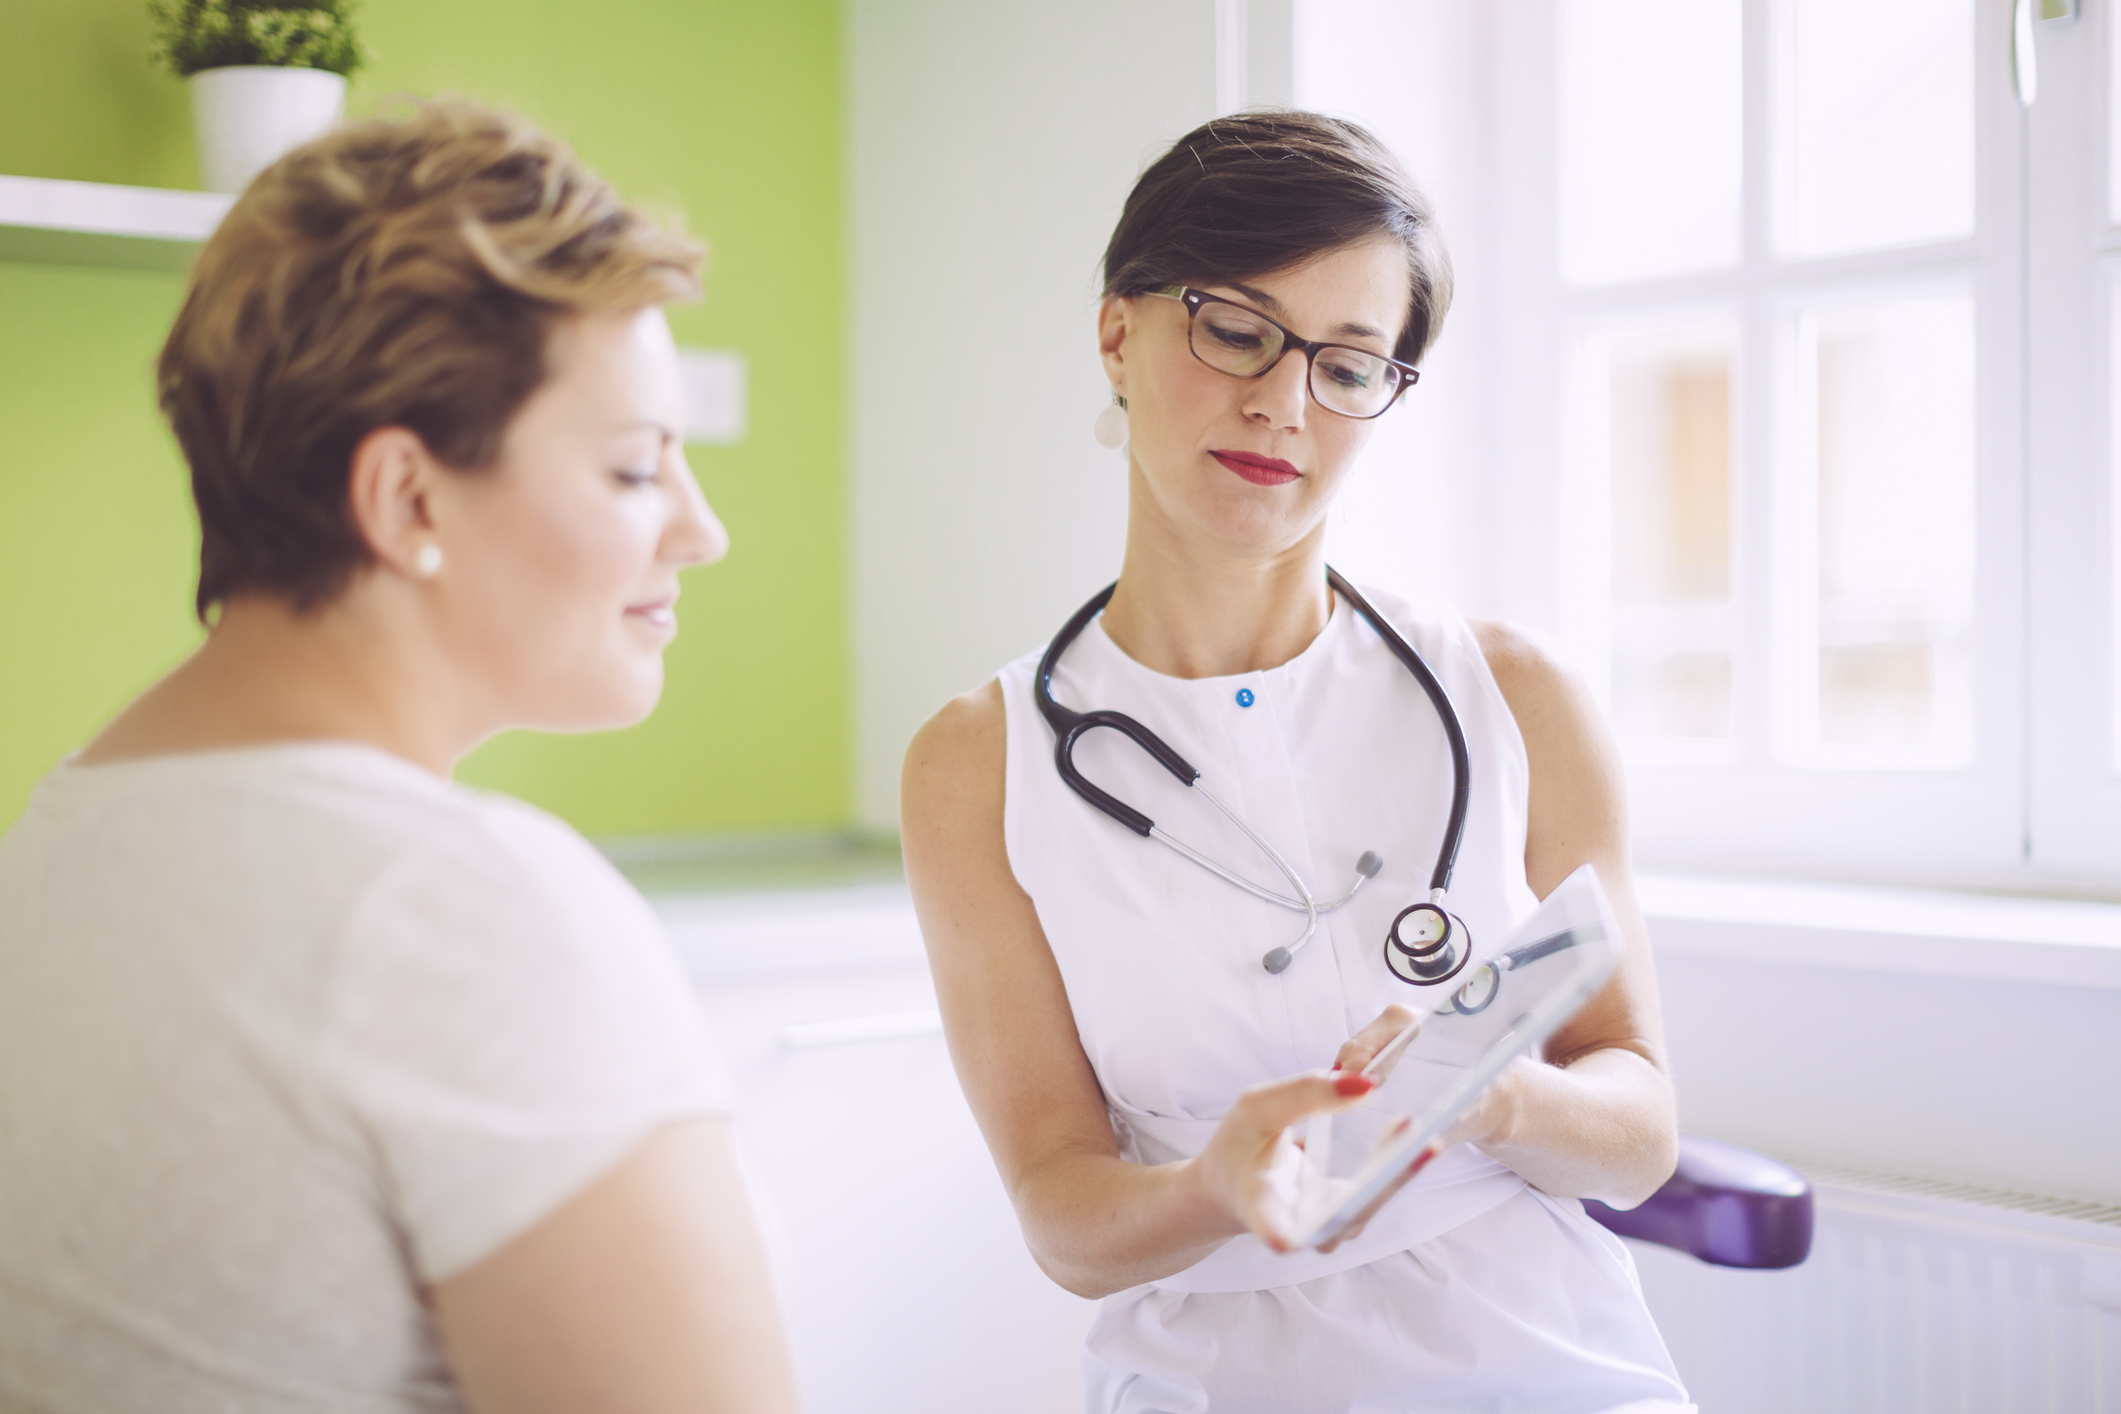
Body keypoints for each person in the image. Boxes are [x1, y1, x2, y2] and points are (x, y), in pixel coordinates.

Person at [0, 100, 802, 1414]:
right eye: (633, 469)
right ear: (407, 500)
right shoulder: (455, 915)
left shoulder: (51, 851)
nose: (698, 532)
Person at [901, 112, 1692, 1412]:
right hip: (1212, 1379)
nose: (1282, 400)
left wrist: (1495, 1094)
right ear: (1118, 330)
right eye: (1233, 329)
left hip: (1549, 1366)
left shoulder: (1517, 695)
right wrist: (1210, 1185)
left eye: (1349, 362)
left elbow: (1638, 1131)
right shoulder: (977, 762)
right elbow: (1058, 1213)